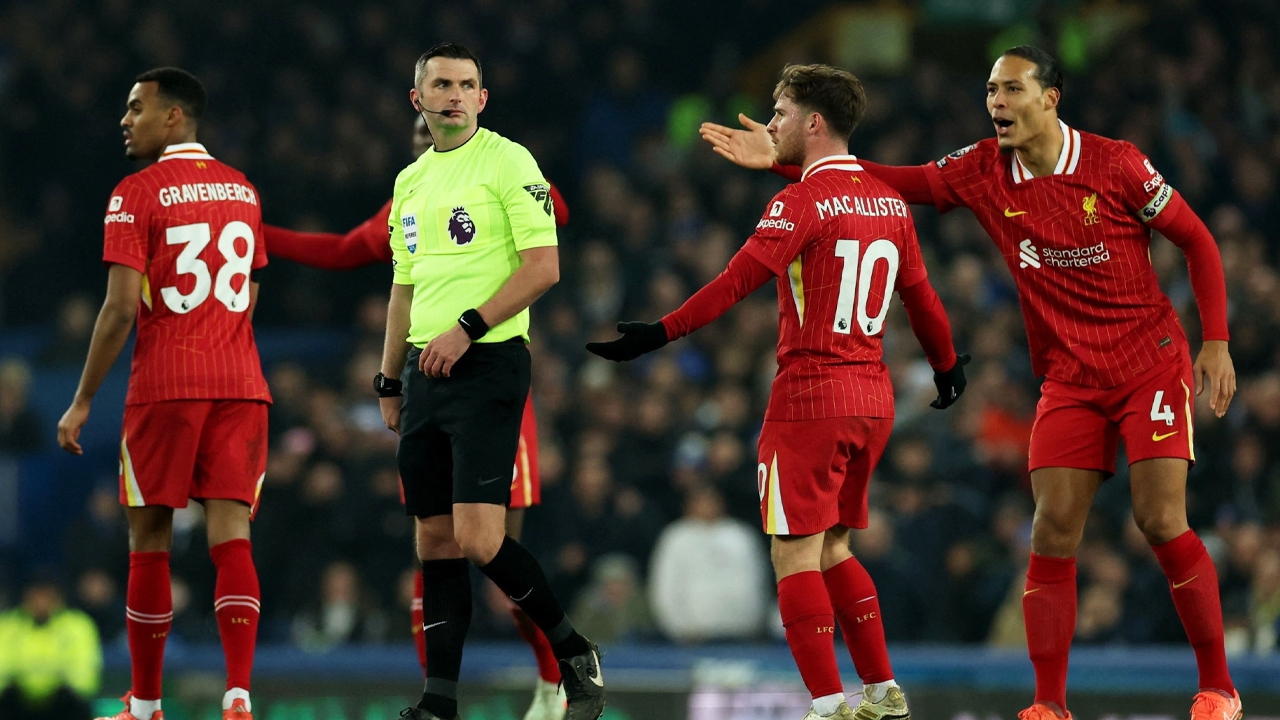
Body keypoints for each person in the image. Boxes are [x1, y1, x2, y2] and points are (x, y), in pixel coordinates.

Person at [701, 45, 1240, 720]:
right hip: (1070, 378)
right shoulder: (983, 169)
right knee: (1051, 533)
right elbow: (890, 182)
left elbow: (1197, 240)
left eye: (1011, 89)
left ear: (1050, 97)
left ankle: (1219, 688)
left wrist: (1216, 341)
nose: (996, 103)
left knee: (1159, 520)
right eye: (989, 91)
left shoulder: (1117, 164)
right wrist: (789, 161)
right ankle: (1049, 706)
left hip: (1148, 364)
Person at [589, 63, 968, 720]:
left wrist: (660, 333)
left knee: (792, 555)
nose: (770, 123)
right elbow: (924, 299)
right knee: (834, 548)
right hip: (872, 399)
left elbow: (735, 282)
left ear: (813, 122)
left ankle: (827, 704)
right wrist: (946, 366)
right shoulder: (888, 201)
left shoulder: (799, 203)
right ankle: (881, 690)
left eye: (780, 112)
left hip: (810, 398)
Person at [262, 115, 571, 720]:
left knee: (497, 560)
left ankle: (556, 677)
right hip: (431, 392)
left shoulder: (500, 171)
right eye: (421, 135)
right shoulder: (408, 198)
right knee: (431, 557)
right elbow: (344, 251)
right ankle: (437, 699)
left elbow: (556, 210)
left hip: (493, 388)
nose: (431, 140)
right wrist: (258, 231)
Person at [377, 43, 603, 720]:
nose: (454, 95)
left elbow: (543, 267)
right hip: (424, 371)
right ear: (418, 99)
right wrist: (389, 379)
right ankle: (438, 701)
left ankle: (574, 651)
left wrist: (467, 327)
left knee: (479, 539)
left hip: (489, 363)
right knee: (434, 542)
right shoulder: (410, 181)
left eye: (466, 84)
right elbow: (403, 288)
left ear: (482, 98)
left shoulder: (510, 162)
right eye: (441, 84)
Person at [56, 67, 270, 720]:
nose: (125, 120)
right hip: (240, 383)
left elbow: (120, 308)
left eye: (136, 108)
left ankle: (146, 704)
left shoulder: (135, 193)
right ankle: (239, 696)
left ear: (173, 116)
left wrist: (82, 399)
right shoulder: (243, 188)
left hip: (166, 386)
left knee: (148, 539)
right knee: (232, 537)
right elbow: (250, 288)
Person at [0, 577, 101, 720]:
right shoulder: (8, 624)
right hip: (16, 702)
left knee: (77, 705)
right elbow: (3, 670)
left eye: (46, 596)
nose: (41, 602)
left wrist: (52, 684)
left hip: (63, 702)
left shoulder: (77, 624)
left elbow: (84, 674)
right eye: (36, 596)